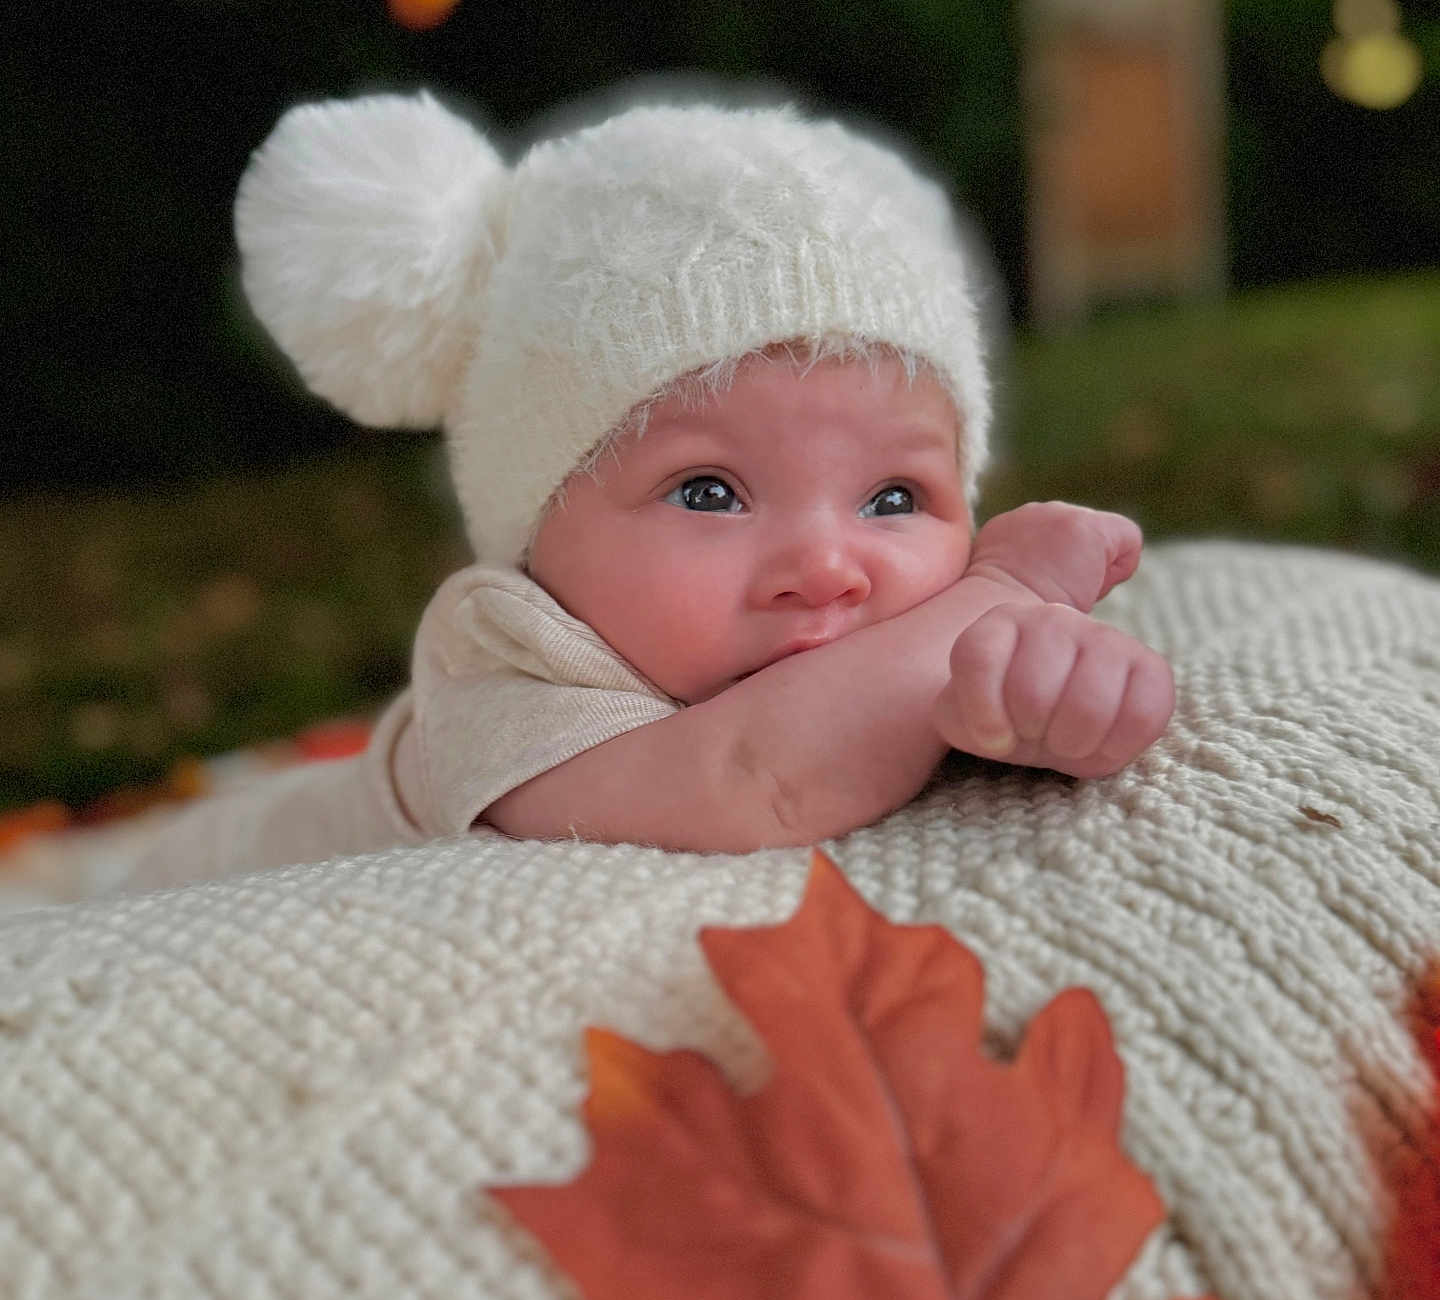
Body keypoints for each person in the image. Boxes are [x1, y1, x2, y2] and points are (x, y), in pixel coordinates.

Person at [104, 90, 1172, 891]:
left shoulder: (892, 645)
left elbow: (898, 714)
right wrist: (997, 600)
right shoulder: (506, 669)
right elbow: (759, 775)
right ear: (534, 532)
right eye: (708, 492)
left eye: (894, 499)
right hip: (161, 888)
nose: (827, 570)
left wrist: (1048, 700)